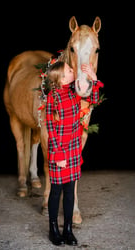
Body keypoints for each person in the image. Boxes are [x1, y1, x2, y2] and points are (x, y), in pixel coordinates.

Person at [45, 61, 104, 246]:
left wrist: (94, 81)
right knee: (56, 192)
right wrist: (59, 156)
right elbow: (51, 130)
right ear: (61, 78)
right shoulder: (52, 99)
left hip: (73, 149)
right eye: (69, 70)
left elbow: (93, 100)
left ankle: (68, 229)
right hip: (60, 153)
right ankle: (53, 229)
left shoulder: (73, 92)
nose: (73, 71)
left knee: (70, 191)